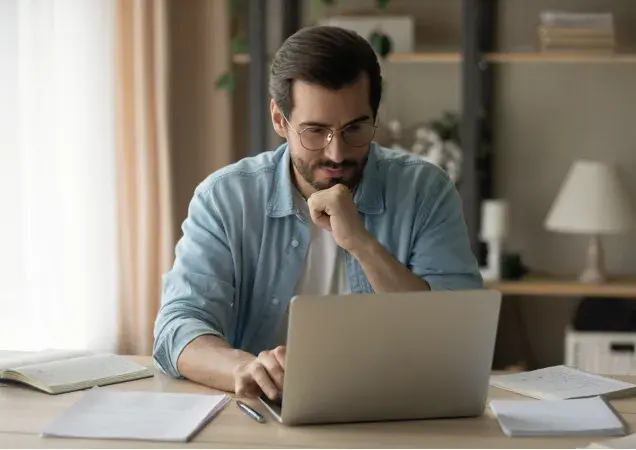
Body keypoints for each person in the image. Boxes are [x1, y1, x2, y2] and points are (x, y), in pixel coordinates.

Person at [153, 26, 482, 402]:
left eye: (354, 128)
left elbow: (458, 336)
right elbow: (177, 328)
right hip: (263, 415)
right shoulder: (226, 198)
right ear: (280, 120)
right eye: (315, 130)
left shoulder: (425, 190)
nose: (337, 152)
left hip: (395, 410)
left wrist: (360, 242)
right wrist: (242, 369)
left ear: (375, 116)